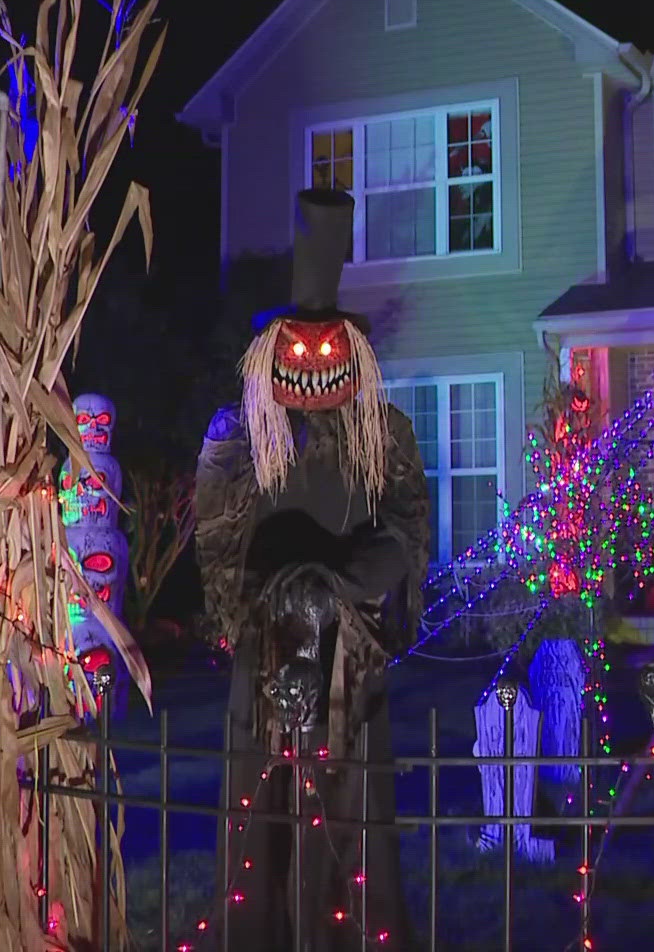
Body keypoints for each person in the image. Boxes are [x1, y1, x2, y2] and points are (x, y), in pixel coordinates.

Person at [192, 189, 430, 950]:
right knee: (261, 812)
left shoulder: (384, 433)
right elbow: (219, 541)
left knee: (349, 808)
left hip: (349, 651)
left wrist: (344, 586)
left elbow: (406, 529)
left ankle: (351, 935)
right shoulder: (241, 436)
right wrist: (259, 609)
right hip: (266, 650)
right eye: (300, 348)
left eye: (331, 350)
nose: (315, 362)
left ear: (354, 353)